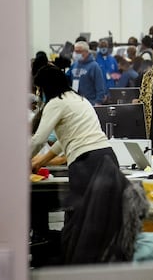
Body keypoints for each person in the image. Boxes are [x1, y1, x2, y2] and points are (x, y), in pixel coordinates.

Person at [30, 65, 145, 263]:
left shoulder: (55, 103)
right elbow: (63, 140)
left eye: (39, 89)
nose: (39, 93)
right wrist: (41, 160)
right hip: (107, 157)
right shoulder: (79, 100)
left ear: (45, 86)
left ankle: (79, 264)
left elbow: (39, 138)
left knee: (82, 219)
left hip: (86, 163)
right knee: (100, 218)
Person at [70, 41, 108, 105]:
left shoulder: (94, 66)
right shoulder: (74, 65)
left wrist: (98, 102)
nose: (76, 54)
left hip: (90, 102)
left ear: (86, 52)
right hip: (76, 101)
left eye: (79, 51)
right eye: (75, 51)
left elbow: (100, 86)